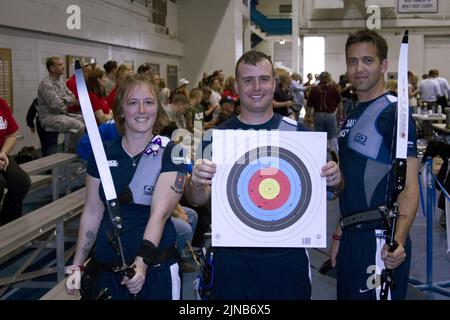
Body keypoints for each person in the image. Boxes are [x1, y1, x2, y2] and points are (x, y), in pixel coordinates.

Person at [184, 50, 342, 300]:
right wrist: (195, 183)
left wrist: (335, 179)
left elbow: (332, 193)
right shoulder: (214, 138)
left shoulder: (300, 133)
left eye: (264, 79)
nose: (256, 87)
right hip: (233, 260)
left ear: (274, 84)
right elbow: (197, 200)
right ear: (236, 85)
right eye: (248, 80)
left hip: (287, 261)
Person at [66, 74, 187, 300]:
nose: (142, 109)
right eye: (133, 103)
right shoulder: (103, 153)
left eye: (149, 102)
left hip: (154, 267)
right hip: (107, 270)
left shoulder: (173, 153)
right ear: (121, 110)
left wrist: (141, 263)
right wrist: (77, 265)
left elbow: (159, 215)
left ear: (157, 110)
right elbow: (93, 211)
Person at [330, 29, 419, 300]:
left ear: (383, 66)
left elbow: (410, 186)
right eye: (352, 61)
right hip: (351, 237)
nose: (359, 68)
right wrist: (339, 233)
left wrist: (399, 240)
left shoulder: (395, 114)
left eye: (367, 60)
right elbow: (350, 183)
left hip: (381, 239)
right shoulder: (349, 114)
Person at [0, 97, 31, 225]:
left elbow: (11, 136)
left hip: (1, 154)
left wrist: (3, 153)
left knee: (21, 181)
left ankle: (7, 223)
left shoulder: (1, 103)